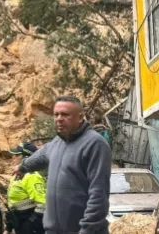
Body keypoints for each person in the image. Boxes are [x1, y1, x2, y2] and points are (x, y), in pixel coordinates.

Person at [17, 96, 110, 234]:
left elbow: (98, 195)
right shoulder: (57, 143)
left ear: (80, 117)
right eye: (56, 114)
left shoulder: (95, 144)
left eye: (65, 114)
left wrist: (87, 230)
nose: (59, 118)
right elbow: (40, 156)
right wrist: (22, 167)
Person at [6, 141, 45, 234]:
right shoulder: (17, 176)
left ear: (26, 158)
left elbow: (43, 205)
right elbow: (12, 204)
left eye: (17, 155)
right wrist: (8, 228)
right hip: (19, 223)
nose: (13, 157)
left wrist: (30, 225)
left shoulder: (32, 176)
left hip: (31, 228)